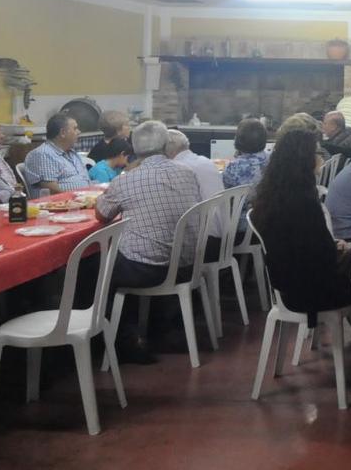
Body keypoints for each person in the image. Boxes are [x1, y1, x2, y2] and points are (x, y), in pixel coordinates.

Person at [95, 121, 201, 363]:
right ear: (166, 145)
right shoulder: (187, 173)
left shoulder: (126, 180)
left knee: (98, 266)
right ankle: (161, 330)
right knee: (137, 249)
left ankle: (121, 342)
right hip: (187, 263)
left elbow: (101, 214)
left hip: (148, 270)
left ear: (133, 147)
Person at [251, 127, 351, 327]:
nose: (321, 157)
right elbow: (321, 253)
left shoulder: (272, 194)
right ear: (305, 159)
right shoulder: (304, 201)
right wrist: (339, 248)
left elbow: (302, 242)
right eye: (317, 152)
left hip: (285, 285)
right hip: (311, 291)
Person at [166, 129, 225, 259]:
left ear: (168, 150)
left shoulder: (177, 168)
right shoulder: (206, 161)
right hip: (224, 235)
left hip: (203, 243)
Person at [24, 113, 91, 194]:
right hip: (61, 203)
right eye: (75, 128)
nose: (79, 132)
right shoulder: (43, 154)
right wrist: (79, 199)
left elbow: (86, 181)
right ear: (63, 133)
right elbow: (52, 190)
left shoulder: (72, 153)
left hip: (85, 200)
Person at [223, 118, 269, 234]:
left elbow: (224, 197)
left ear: (239, 139)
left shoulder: (234, 167)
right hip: (268, 220)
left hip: (242, 225)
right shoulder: (273, 159)